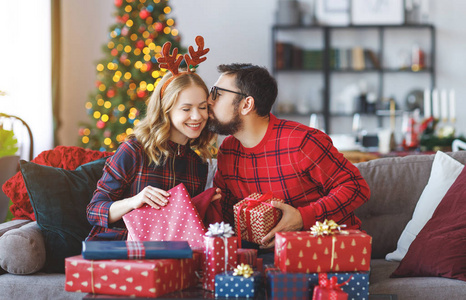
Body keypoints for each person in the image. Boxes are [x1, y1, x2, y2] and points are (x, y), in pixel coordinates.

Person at [207, 63, 370, 250]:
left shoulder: (302, 142)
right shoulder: (228, 150)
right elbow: (226, 214)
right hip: (268, 257)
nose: (209, 101)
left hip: (329, 252)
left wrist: (303, 217)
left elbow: (356, 187)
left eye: (217, 94)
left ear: (246, 104)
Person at [86, 37, 218, 241]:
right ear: (166, 110)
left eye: (202, 107)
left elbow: (180, 227)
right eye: (186, 108)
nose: (197, 116)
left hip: (167, 256)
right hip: (120, 251)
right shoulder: (135, 150)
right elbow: (94, 211)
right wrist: (134, 201)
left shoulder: (197, 165)